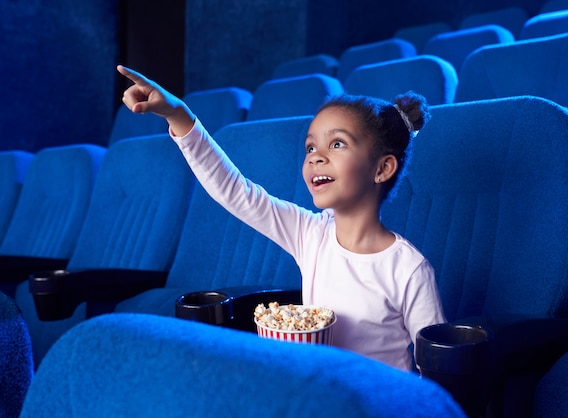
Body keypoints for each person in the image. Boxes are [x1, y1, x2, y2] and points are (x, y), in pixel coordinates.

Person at [117, 65, 446, 372]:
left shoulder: (409, 269)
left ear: (382, 168)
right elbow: (235, 192)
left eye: (337, 144)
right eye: (310, 147)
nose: (316, 157)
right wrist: (178, 115)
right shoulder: (310, 233)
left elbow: (437, 372)